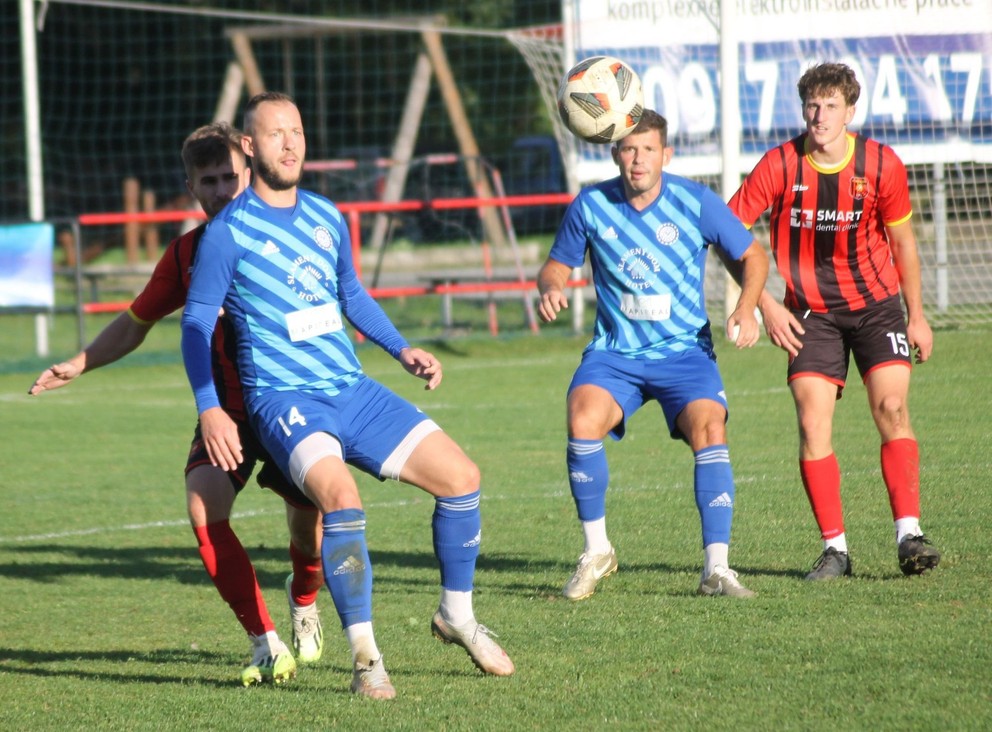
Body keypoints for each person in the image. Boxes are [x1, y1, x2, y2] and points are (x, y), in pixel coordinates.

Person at [180, 92, 514, 700]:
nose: (290, 143)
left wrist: (401, 348)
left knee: (462, 478)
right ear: (249, 147)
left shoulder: (327, 216)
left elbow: (350, 294)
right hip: (283, 400)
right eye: (275, 134)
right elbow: (197, 325)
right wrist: (209, 407)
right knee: (340, 497)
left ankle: (457, 617)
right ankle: (366, 658)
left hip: (351, 388)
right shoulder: (227, 234)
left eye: (297, 131)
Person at [28, 122, 325, 686]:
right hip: (226, 412)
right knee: (203, 510)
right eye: (207, 180)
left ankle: (304, 600)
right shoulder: (188, 254)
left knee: (307, 526)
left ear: (249, 172)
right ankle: (267, 643)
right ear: (190, 186)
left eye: (228, 177)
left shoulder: (288, 238)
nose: (220, 189)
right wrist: (81, 362)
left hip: (290, 399)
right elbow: (138, 321)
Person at [537, 109, 769, 601]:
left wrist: (748, 310)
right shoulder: (591, 205)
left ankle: (717, 569)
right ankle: (596, 551)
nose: (637, 159)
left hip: (684, 351)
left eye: (647, 150)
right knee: (582, 419)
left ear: (666, 154)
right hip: (615, 352)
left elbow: (753, 255)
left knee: (710, 427)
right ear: (614, 152)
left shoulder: (695, 201)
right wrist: (552, 287)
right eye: (628, 149)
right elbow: (555, 266)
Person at [727, 62, 940, 580]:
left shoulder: (881, 164)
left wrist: (918, 315)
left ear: (850, 110)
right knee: (811, 421)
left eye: (829, 106)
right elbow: (727, 233)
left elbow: (903, 243)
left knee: (891, 406)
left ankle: (908, 534)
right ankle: (836, 551)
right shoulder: (778, 165)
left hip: (877, 304)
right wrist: (764, 304)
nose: (818, 116)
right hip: (808, 312)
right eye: (811, 106)